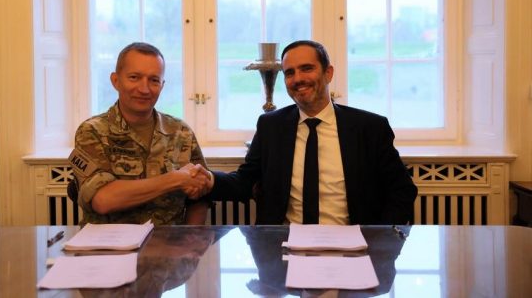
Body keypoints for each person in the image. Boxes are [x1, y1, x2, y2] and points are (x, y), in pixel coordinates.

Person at [204, 40, 417, 225]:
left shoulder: (369, 128)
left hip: (352, 246)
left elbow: (403, 190)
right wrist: (209, 180)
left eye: (306, 68)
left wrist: (380, 239)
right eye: (290, 73)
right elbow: (244, 182)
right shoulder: (271, 126)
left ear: (328, 73)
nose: (297, 79)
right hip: (284, 246)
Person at [69, 42, 211, 226]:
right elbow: (103, 200)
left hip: (168, 241)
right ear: (115, 80)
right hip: (110, 242)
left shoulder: (180, 132)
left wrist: (189, 237)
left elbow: (200, 194)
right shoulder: (91, 132)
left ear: (162, 85)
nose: (144, 89)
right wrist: (175, 179)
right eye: (134, 77)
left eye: (154, 80)